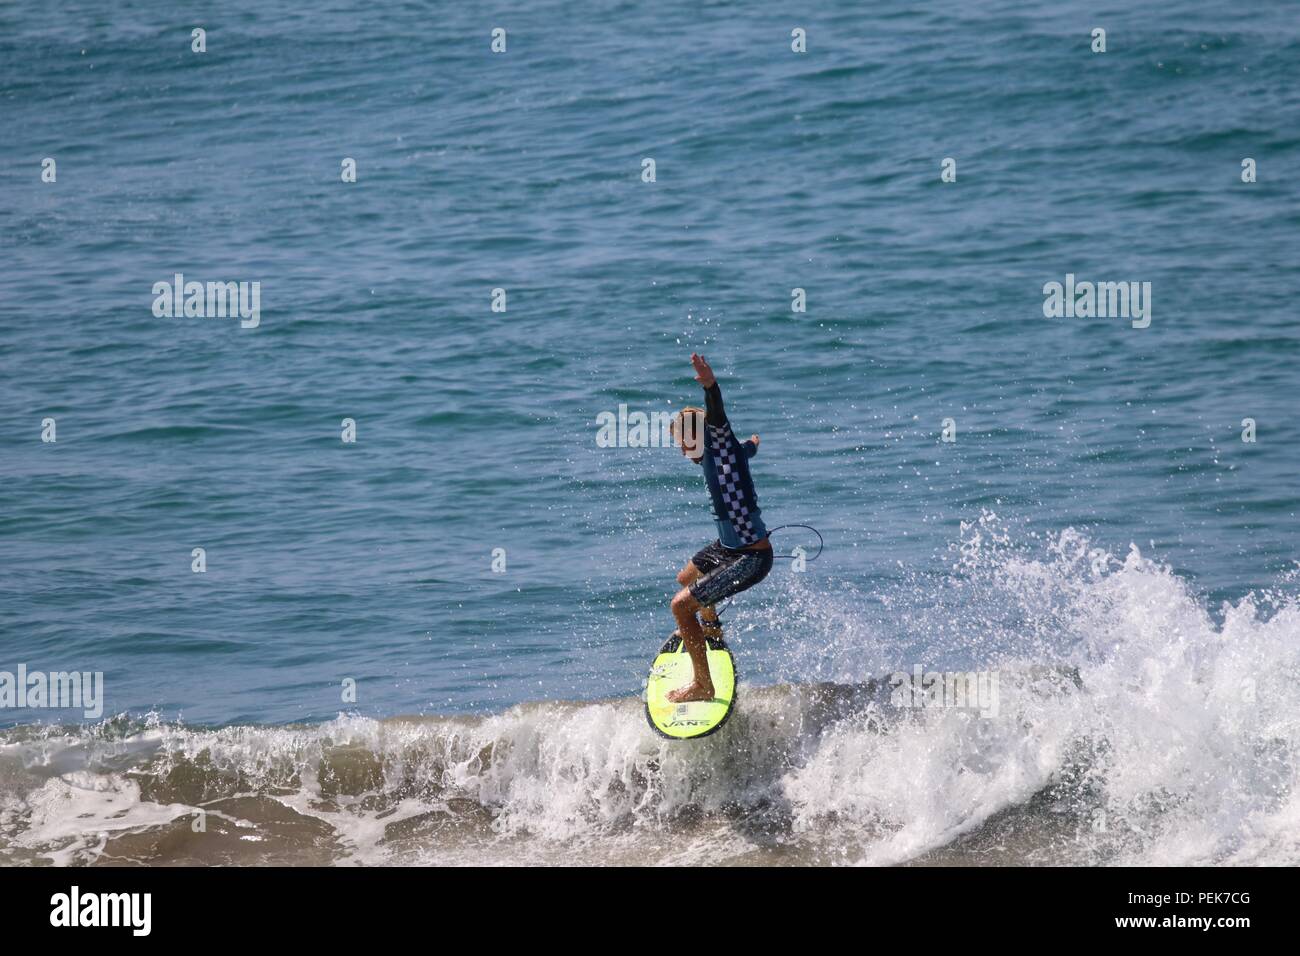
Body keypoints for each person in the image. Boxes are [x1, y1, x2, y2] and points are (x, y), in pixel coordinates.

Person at [665, 353, 774, 703]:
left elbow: (719, 419)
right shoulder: (733, 453)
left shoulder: (720, 446)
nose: (683, 452)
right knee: (686, 578)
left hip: (750, 556)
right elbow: (747, 450)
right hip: (728, 548)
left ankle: (703, 686)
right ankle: (710, 629)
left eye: (683, 443)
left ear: (698, 437)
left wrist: (711, 387)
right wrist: (754, 444)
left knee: (681, 607)